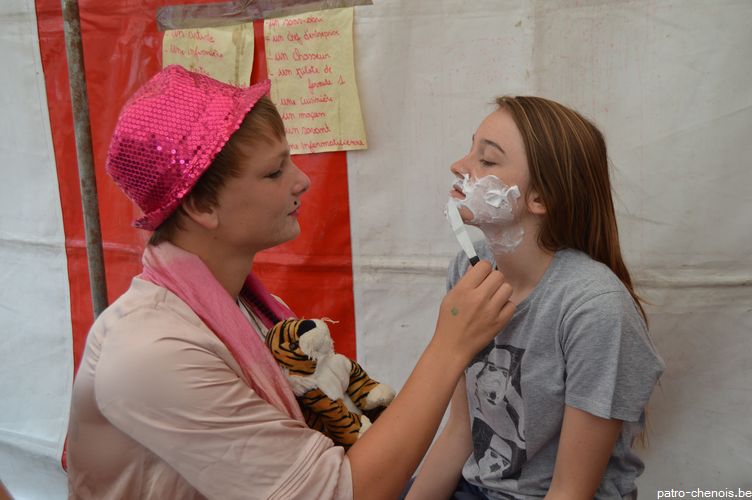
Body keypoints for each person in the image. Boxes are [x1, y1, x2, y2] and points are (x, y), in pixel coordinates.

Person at [66, 65, 516, 500]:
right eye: (274, 172)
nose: (302, 181)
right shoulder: (153, 352)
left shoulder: (248, 310)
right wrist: (449, 348)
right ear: (201, 206)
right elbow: (337, 494)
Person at [404, 96, 665, 499]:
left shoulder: (595, 309)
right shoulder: (469, 271)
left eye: (487, 160)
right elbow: (460, 432)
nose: (458, 165)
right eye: (471, 150)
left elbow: (571, 491)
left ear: (540, 198)